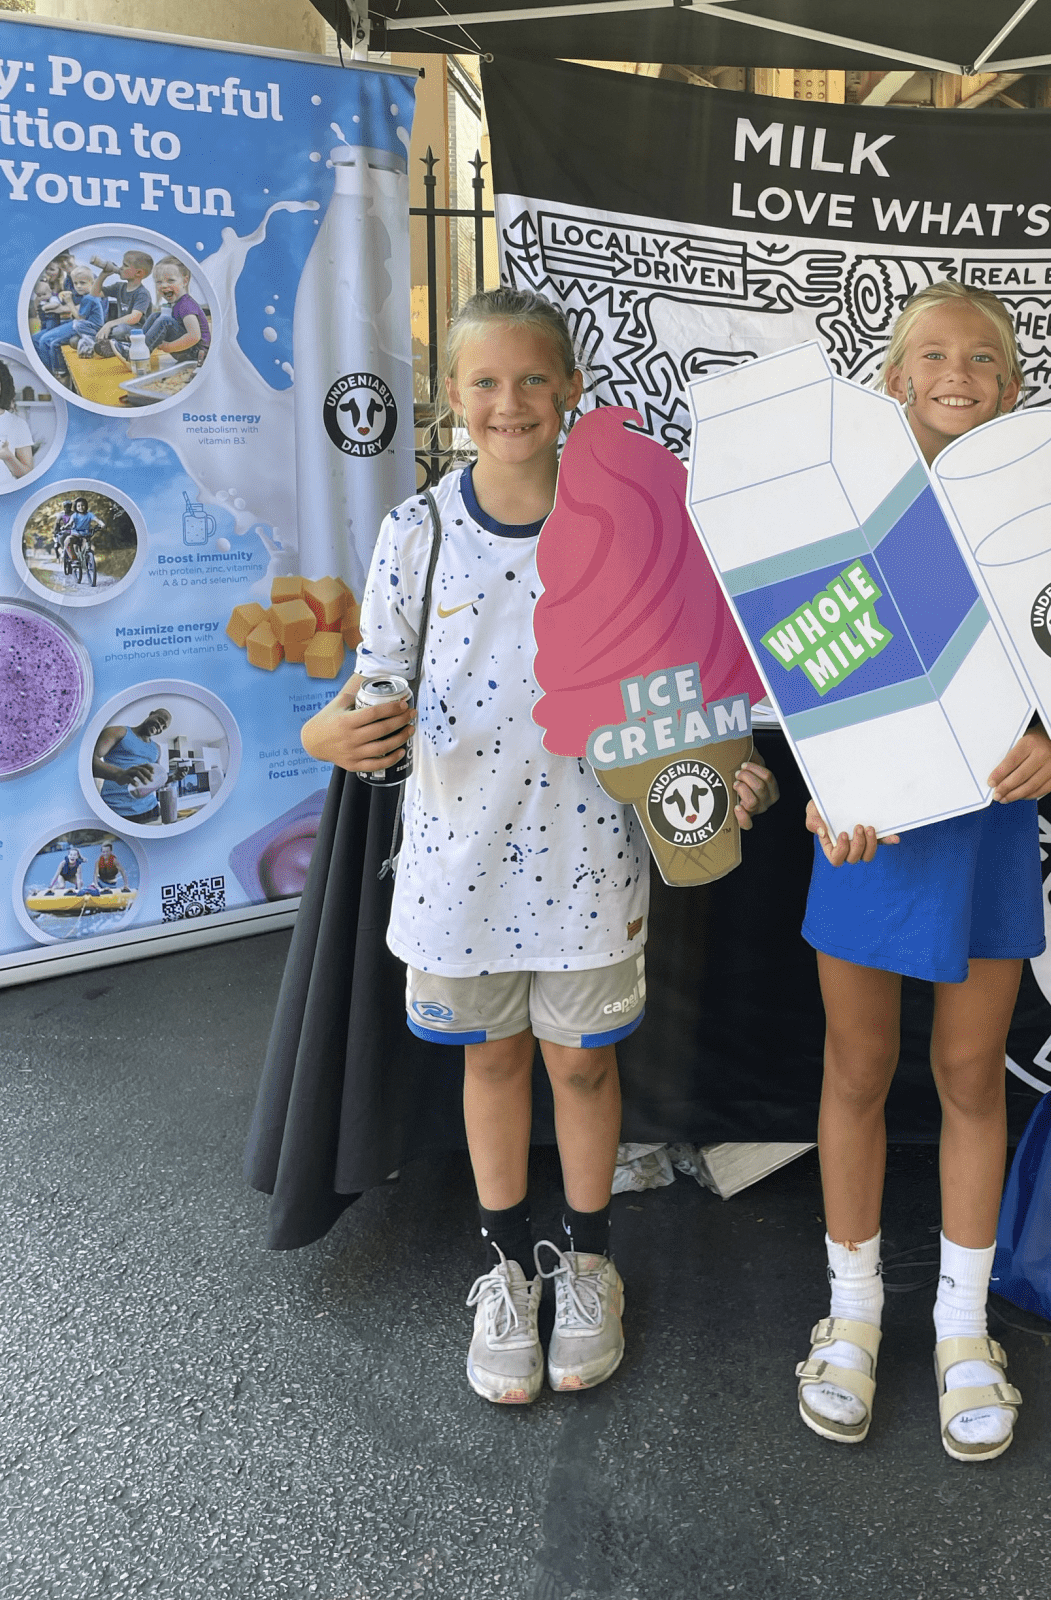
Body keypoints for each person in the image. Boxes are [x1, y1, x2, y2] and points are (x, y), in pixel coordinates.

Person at [302, 287, 778, 1407]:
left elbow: (701, 679)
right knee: (495, 1059)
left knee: (581, 1060)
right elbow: (369, 688)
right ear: (453, 396)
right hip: (458, 857)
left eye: (531, 380)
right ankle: (508, 1268)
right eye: (484, 382)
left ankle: (591, 1260)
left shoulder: (632, 526)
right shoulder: (415, 532)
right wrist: (332, 732)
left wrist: (727, 766)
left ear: (569, 390)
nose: (508, 402)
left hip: (591, 856)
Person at [794, 281, 1051, 1464]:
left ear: (1009, 385)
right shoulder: (842, 508)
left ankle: (963, 1324)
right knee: (856, 1068)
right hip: (872, 826)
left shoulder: (1040, 511)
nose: (958, 373)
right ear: (894, 377)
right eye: (934, 355)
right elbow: (805, 655)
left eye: (984, 358)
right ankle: (852, 1312)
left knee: (969, 1072)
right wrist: (823, 783)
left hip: (992, 824)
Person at [92, 708, 171, 822]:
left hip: (151, 809)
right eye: (160, 720)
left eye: (164, 727)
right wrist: (119, 774)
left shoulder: (157, 748)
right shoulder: (118, 731)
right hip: (117, 811)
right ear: (151, 714)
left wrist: (173, 777)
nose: (160, 726)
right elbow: (88, 760)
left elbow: (155, 778)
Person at [36, 263, 107, 377]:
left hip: (89, 327)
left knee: (47, 341)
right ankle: (58, 371)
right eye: (75, 283)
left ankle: (55, 373)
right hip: (83, 325)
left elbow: (80, 317)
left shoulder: (89, 297)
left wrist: (69, 302)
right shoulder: (88, 296)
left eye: (82, 283)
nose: (78, 286)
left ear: (92, 283)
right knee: (53, 342)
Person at [142, 257, 209, 364]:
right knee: (156, 316)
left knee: (165, 321)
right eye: (159, 281)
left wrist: (169, 347)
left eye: (170, 280)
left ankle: (139, 353)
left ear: (185, 281)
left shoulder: (186, 305)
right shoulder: (176, 304)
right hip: (188, 350)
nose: (163, 285)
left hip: (196, 353)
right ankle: (137, 345)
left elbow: (194, 336)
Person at [92, 250, 155, 360]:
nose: (120, 268)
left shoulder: (142, 293)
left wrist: (109, 324)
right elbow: (95, 293)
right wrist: (103, 274)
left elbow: (134, 318)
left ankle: (113, 345)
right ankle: (108, 345)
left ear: (139, 273)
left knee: (119, 330)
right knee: (91, 328)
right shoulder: (119, 287)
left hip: (138, 331)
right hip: (120, 327)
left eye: (125, 265)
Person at [0, 358, 34, 486]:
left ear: (2, 385)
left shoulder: (17, 424)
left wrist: (8, 457)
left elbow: (27, 475)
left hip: (5, 499)